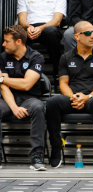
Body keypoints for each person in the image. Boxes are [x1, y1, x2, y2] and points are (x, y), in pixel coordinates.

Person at [46, 20, 93, 169]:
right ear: (77, 37)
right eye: (88, 33)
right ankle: (56, 148)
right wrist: (73, 97)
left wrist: (87, 97)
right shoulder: (66, 57)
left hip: (91, 98)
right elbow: (63, 83)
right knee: (51, 103)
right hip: (72, 98)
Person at [0, 25, 46, 171]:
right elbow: (3, 88)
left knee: (38, 107)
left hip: (29, 98)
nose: (3, 44)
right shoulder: (2, 57)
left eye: (7, 41)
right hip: (8, 99)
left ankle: (37, 157)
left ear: (18, 41)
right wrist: (14, 107)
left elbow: (27, 84)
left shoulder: (36, 57)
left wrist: (2, 79)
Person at [17, 0, 67, 69]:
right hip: (29, 28)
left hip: (49, 27)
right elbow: (22, 19)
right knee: (14, 34)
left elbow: (57, 20)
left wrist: (41, 28)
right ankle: (19, 71)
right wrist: (29, 27)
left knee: (51, 32)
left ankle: (58, 72)